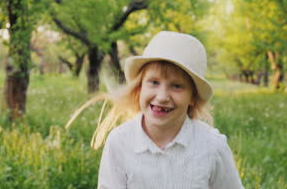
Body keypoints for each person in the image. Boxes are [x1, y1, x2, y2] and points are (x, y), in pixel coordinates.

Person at [67, 31, 244, 189]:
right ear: (139, 88)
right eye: (154, 82)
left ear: (192, 97)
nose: (162, 96)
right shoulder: (120, 142)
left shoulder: (212, 146)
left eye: (176, 86)